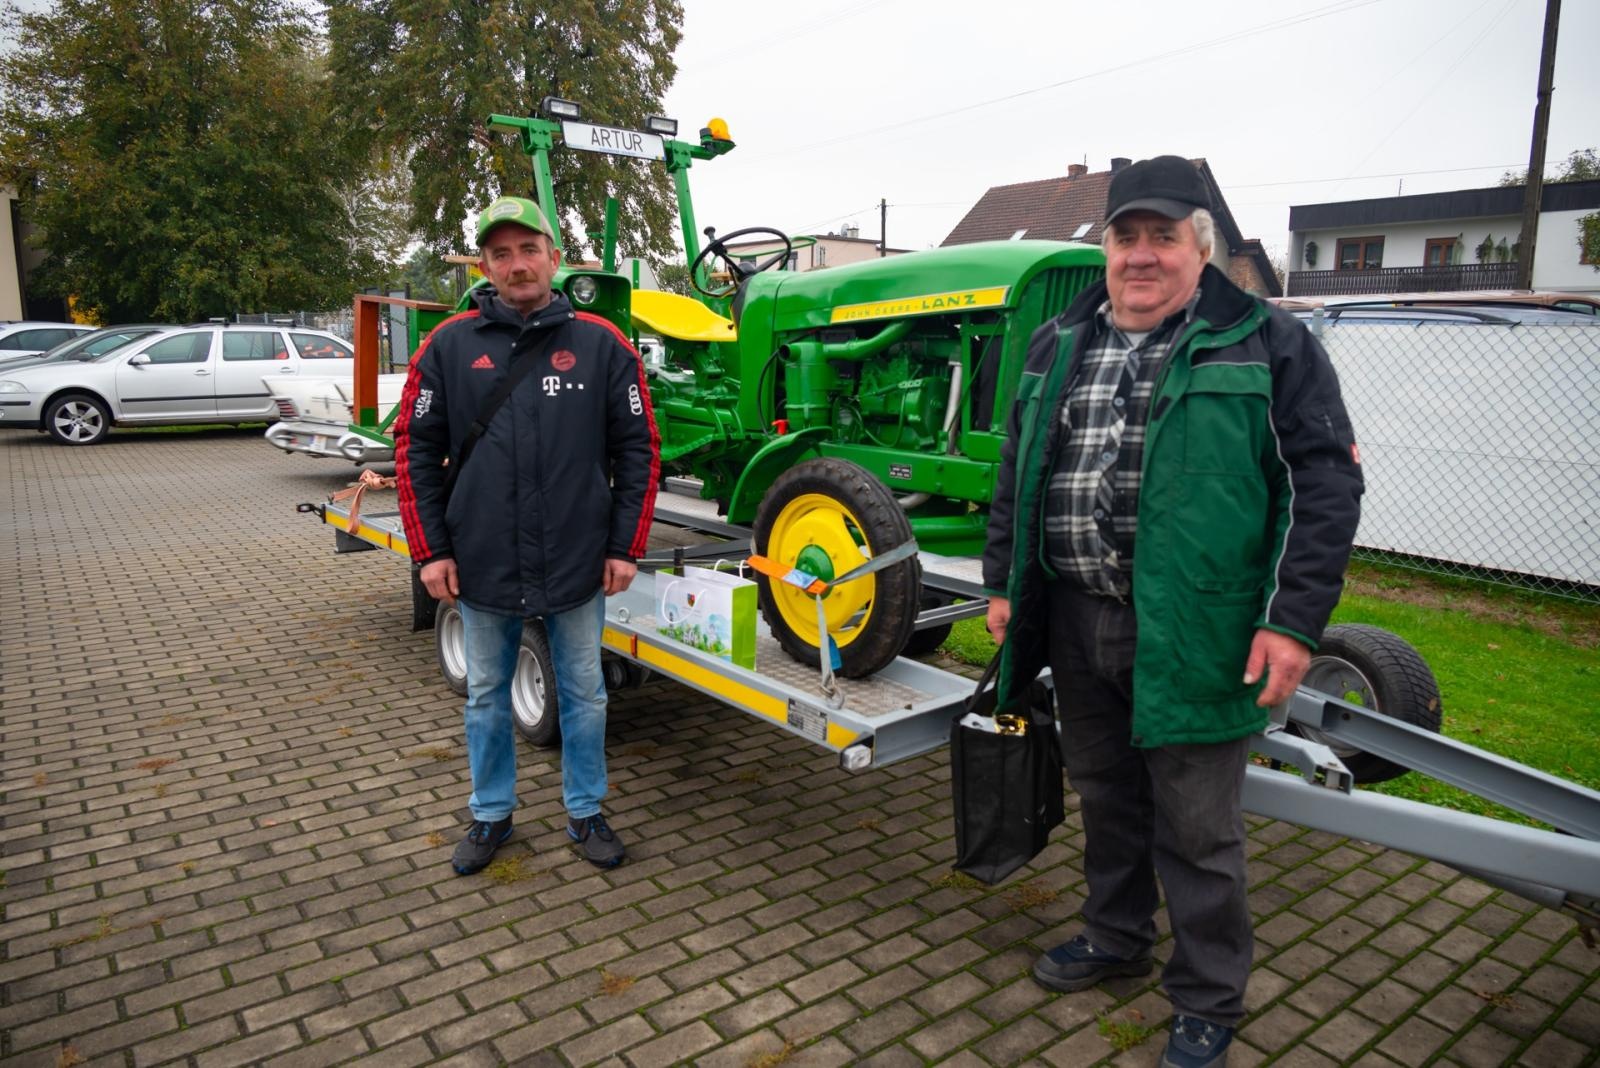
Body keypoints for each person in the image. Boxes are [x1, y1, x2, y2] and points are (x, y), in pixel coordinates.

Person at [981, 156, 1362, 1068]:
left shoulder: (1269, 343)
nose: (1142, 255)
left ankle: (1208, 997)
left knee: (1197, 824)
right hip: (1077, 616)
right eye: (1127, 237)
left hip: (1203, 629)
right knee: (1108, 798)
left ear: (1202, 249)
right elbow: (1015, 471)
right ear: (1105, 248)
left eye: (1163, 237)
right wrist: (1004, 582)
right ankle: (1117, 939)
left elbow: (1327, 485)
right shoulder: (1057, 343)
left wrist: (1294, 619)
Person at [394, 196, 659, 875]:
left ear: (553, 256)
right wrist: (430, 552)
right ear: (484, 265)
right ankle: (490, 815)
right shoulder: (447, 346)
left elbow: (639, 449)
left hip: (577, 561)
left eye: (528, 249)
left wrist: (625, 546)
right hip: (480, 560)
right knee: (486, 695)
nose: (517, 265)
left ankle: (586, 810)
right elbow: (414, 452)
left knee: (585, 693)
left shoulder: (602, 344)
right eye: (501, 254)